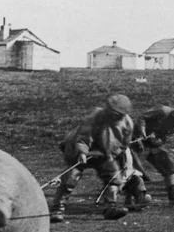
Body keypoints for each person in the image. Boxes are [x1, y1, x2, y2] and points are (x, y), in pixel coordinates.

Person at [48, 94, 141, 223]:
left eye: (119, 114)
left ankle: (111, 206)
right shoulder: (96, 117)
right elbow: (84, 137)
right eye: (113, 113)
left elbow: (124, 144)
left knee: (114, 178)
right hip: (80, 149)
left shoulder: (127, 123)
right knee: (71, 177)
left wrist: (113, 154)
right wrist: (82, 153)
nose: (115, 116)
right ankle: (57, 209)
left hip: (104, 153)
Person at [132, 101, 174, 206]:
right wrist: (143, 133)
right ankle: (131, 199)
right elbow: (142, 117)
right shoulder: (163, 111)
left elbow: (162, 140)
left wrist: (156, 140)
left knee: (169, 166)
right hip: (136, 141)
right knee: (134, 170)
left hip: (151, 146)